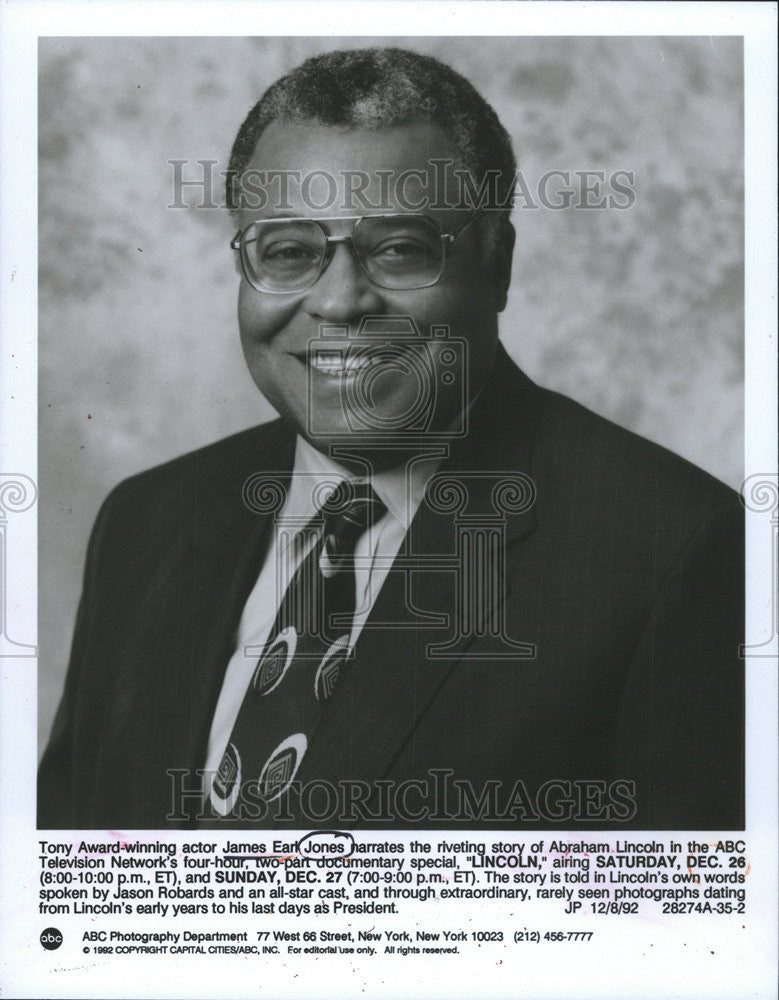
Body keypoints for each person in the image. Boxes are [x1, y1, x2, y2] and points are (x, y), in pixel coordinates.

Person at [38, 47, 743, 831]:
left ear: (496, 265)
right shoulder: (147, 521)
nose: (340, 301)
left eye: (399, 248)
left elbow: (689, 930)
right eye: (290, 252)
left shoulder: (673, 550)